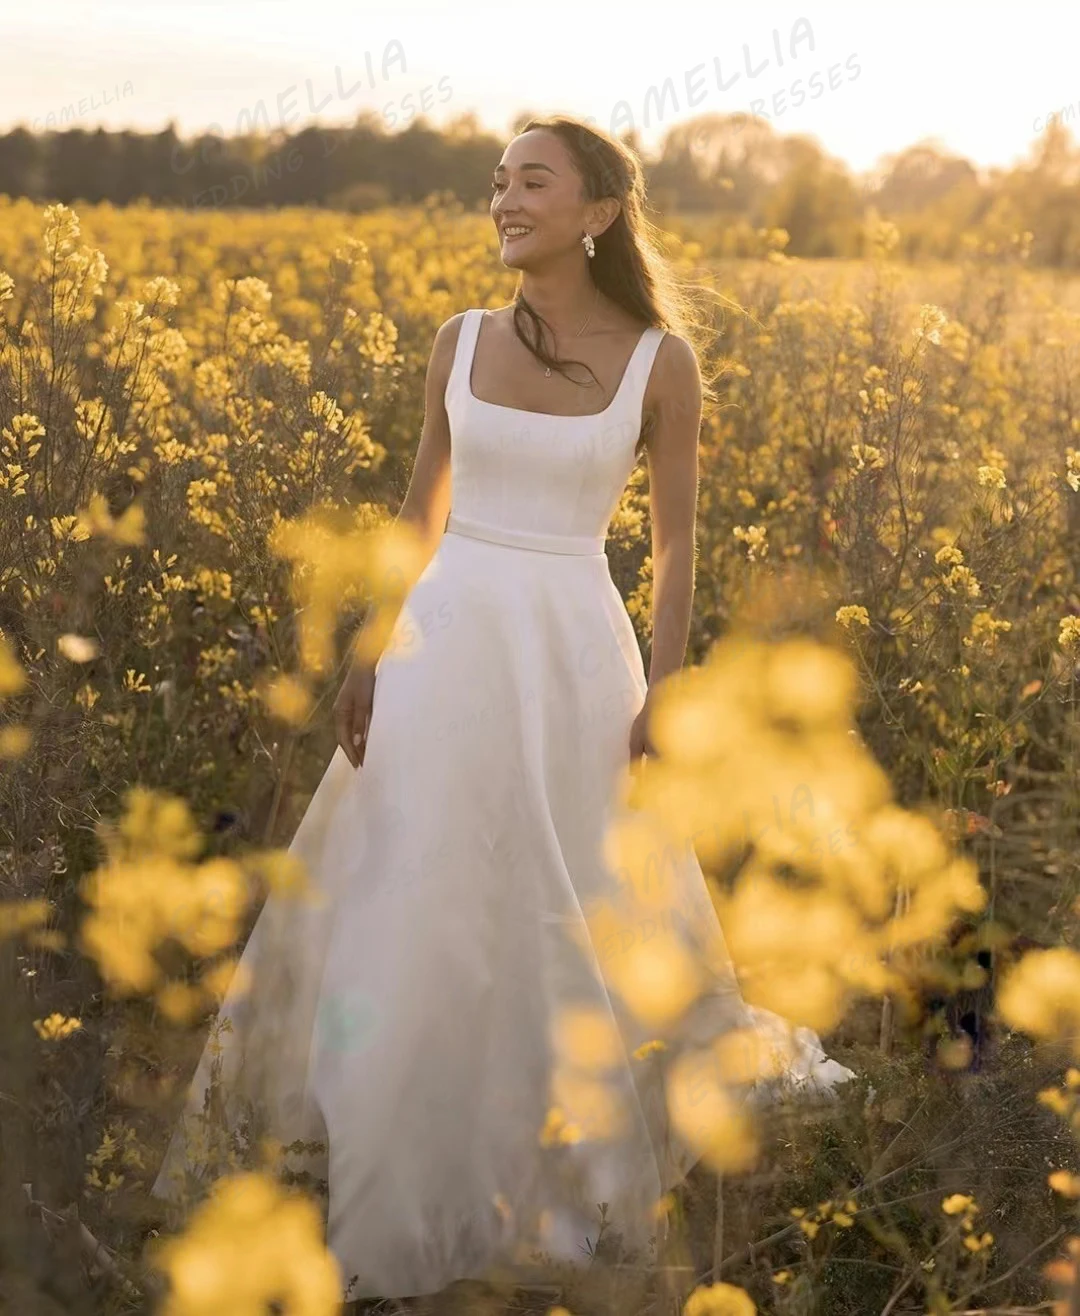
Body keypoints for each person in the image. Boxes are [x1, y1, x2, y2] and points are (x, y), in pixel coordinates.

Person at [149, 114, 856, 1305]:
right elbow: (419, 509)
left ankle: (556, 1169)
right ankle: (381, 1175)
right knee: (409, 882)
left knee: (566, 891)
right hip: (439, 636)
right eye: (497, 181)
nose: (504, 198)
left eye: (532, 180)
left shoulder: (657, 362)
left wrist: (669, 683)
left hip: (573, 652)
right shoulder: (458, 340)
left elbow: (677, 546)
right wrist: (368, 647)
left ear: (597, 212)